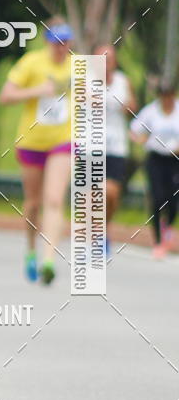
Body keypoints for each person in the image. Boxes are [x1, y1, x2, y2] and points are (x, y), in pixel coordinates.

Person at [0, 21, 73, 284]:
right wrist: (38, 90)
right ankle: (31, 250)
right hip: (31, 141)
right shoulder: (32, 63)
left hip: (63, 141)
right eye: (57, 42)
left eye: (66, 42)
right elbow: (5, 96)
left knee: (54, 199)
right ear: (47, 42)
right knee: (33, 203)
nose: (61, 48)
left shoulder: (78, 66)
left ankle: (49, 259)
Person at [93, 43, 136, 258]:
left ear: (115, 62)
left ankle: (103, 229)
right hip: (91, 145)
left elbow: (133, 108)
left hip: (117, 145)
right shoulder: (86, 82)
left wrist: (126, 104)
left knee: (112, 193)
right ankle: (96, 234)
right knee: (96, 193)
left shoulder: (122, 81)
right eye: (101, 59)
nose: (106, 64)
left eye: (109, 59)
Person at [130, 81, 179, 260]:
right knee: (157, 198)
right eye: (163, 96)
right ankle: (158, 241)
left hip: (174, 160)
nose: (166, 100)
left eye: (169, 96)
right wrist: (141, 140)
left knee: (173, 200)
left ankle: (169, 224)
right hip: (155, 159)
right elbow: (134, 129)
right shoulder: (151, 111)